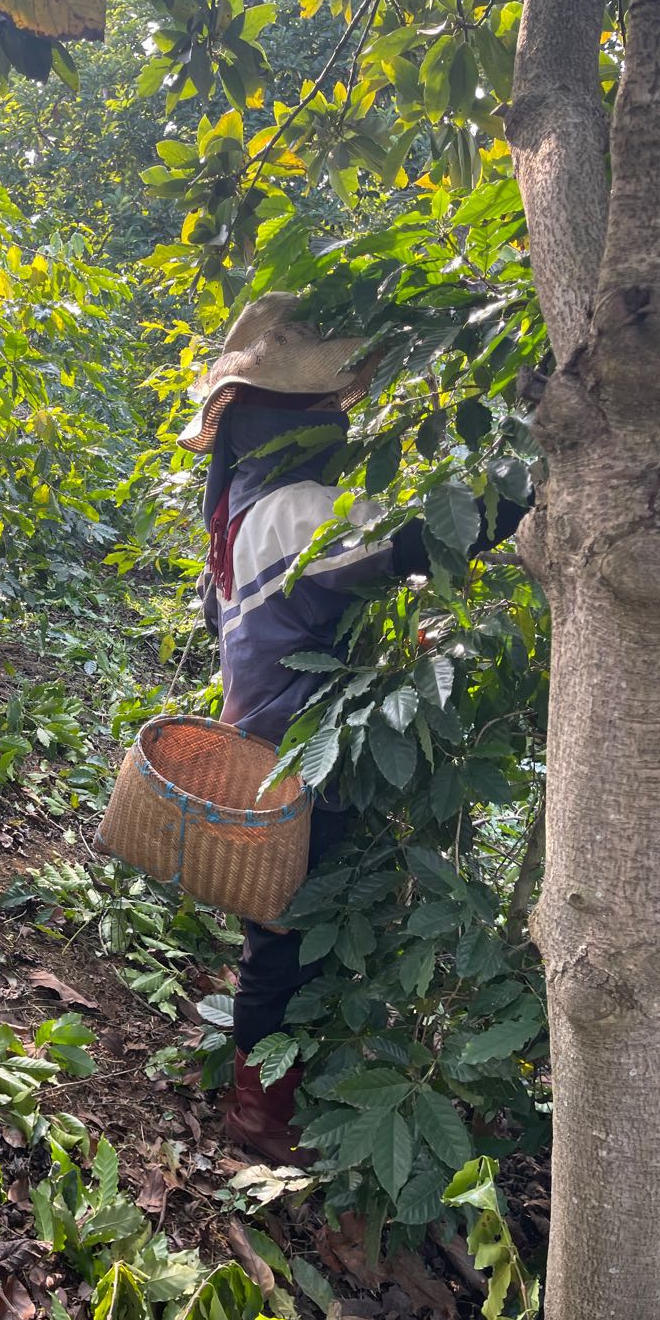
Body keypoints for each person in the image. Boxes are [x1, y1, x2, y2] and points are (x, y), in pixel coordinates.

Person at [179, 293, 529, 1167]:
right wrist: (530, 475)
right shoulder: (297, 511)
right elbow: (431, 537)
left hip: (264, 741)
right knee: (284, 940)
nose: (339, 422)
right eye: (326, 408)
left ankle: (267, 1079)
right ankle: (260, 1113)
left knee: (278, 929)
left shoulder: (240, 507)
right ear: (290, 421)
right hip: (296, 754)